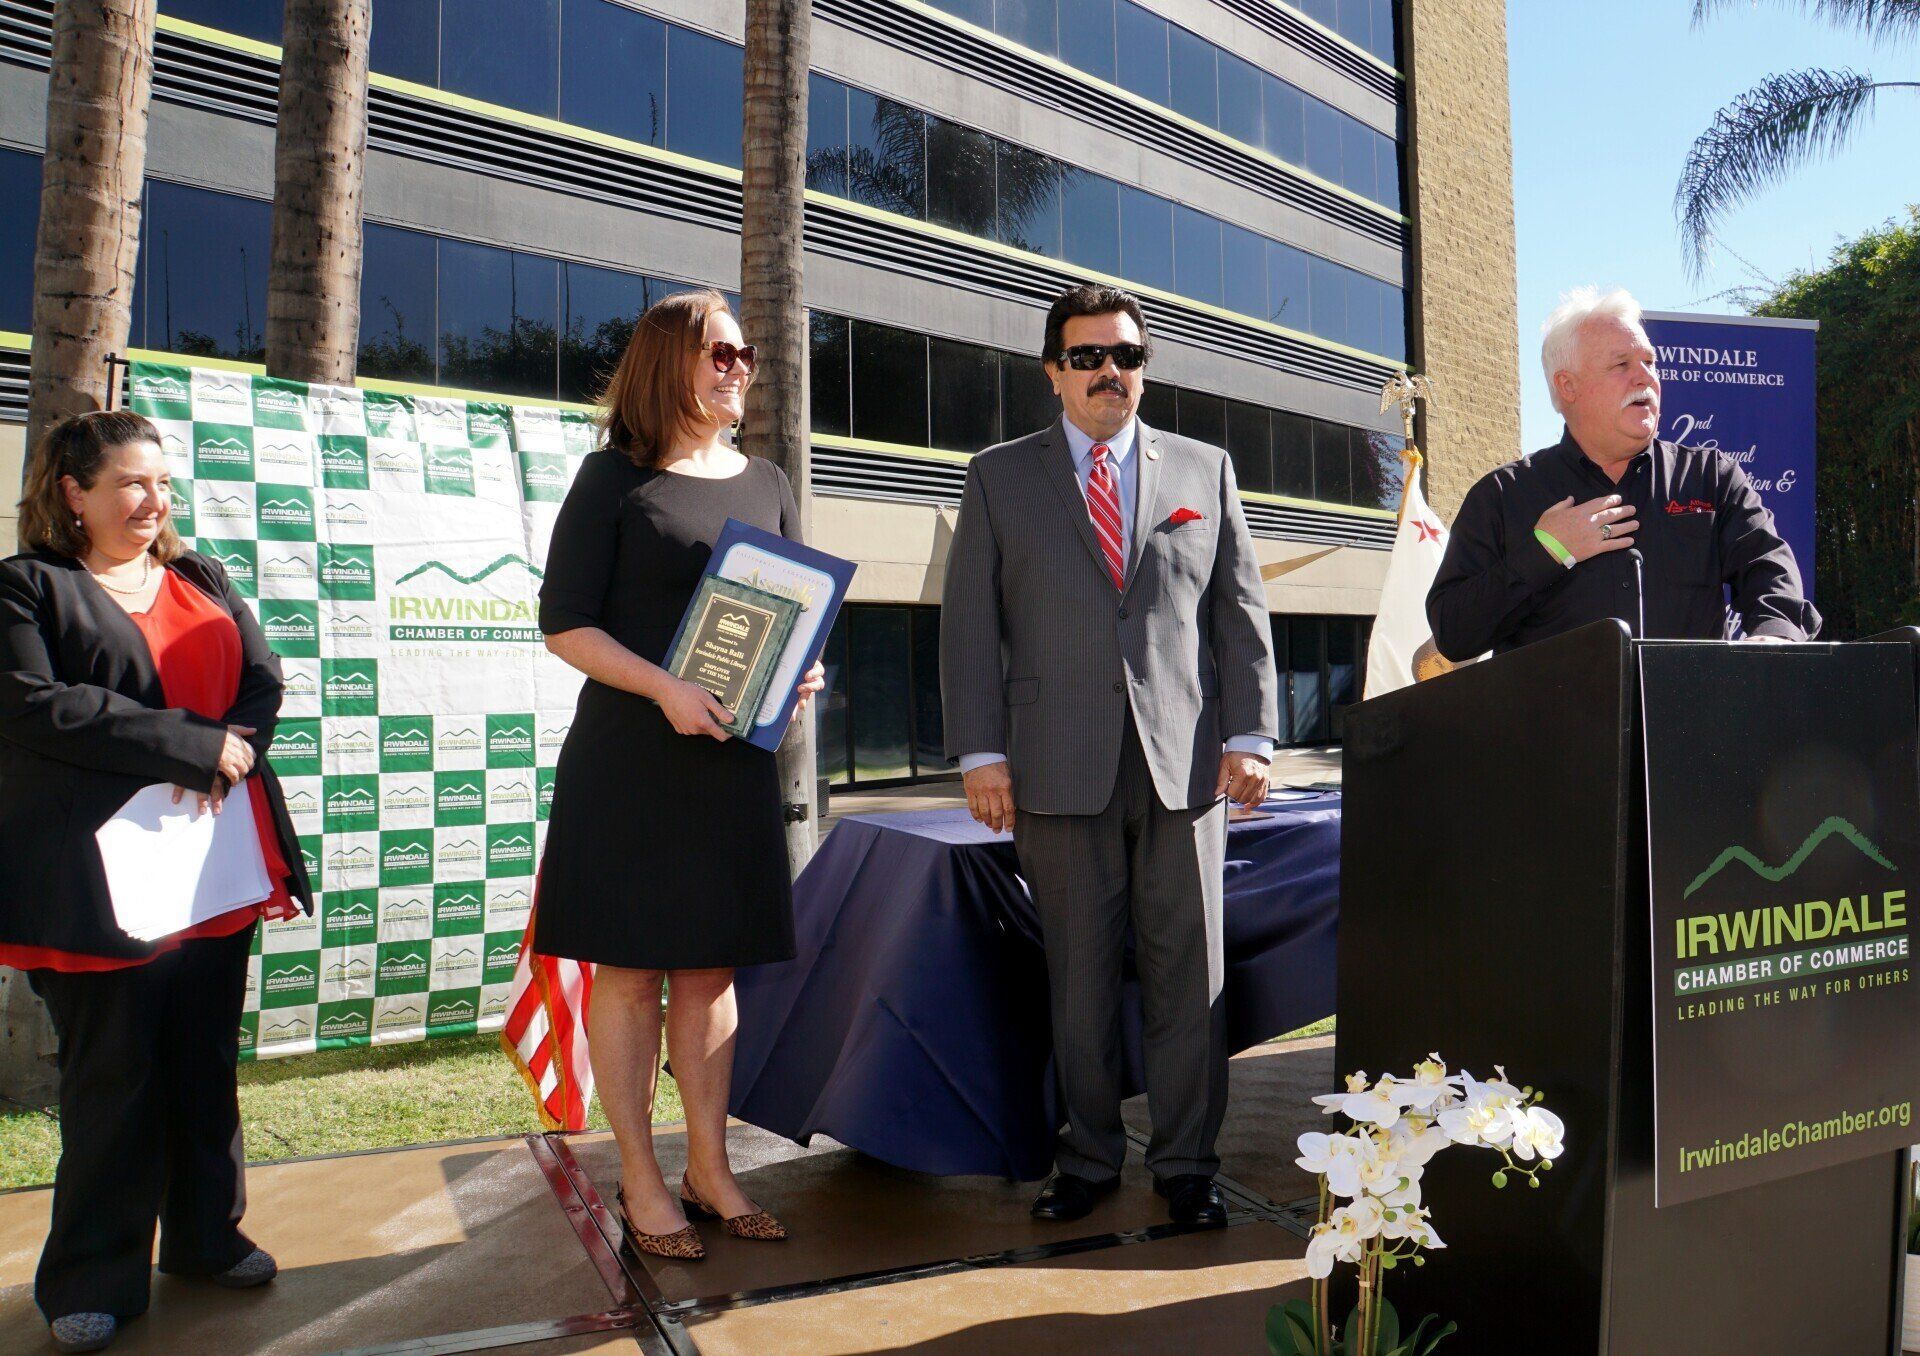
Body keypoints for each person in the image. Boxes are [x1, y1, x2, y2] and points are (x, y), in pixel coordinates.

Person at [940, 283, 1279, 1228]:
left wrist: (1251, 737)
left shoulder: (1204, 471)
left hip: (1187, 769)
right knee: (1079, 983)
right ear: (1053, 370)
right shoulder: (1000, 476)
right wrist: (980, 754)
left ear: (1143, 369)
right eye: (1087, 357)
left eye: (1125, 357)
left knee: (1189, 980)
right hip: (1053, 768)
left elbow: (1239, 616)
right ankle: (1086, 1160)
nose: (1108, 373)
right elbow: (971, 629)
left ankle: (1186, 1166)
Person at [0, 410, 312, 1353]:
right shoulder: (26, 589)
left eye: (163, 483)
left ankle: (208, 1239)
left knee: (203, 1067)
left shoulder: (201, 577)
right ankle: (92, 1276)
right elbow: (37, 707)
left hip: (211, 868)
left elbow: (260, 685)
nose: (154, 499)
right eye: (131, 482)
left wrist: (227, 753)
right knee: (115, 1078)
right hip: (93, 885)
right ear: (72, 491)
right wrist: (188, 745)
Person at [535, 290, 825, 1261]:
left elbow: (785, 606)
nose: (740, 368)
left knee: (711, 970)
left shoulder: (771, 481)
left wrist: (801, 668)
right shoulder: (609, 479)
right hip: (630, 766)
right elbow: (566, 624)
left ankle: (710, 1168)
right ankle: (642, 1180)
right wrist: (663, 688)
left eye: (746, 355)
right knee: (630, 975)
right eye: (723, 353)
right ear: (671, 363)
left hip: (730, 770)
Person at [1427, 286, 1819, 658]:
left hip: (1687, 725)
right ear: (1568, 386)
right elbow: (1454, 633)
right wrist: (1547, 552)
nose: (1645, 377)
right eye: (1621, 364)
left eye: (1649, 362)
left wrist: (1774, 637)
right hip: (1562, 729)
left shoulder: (1711, 477)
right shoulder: (1502, 495)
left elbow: (1769, 568)